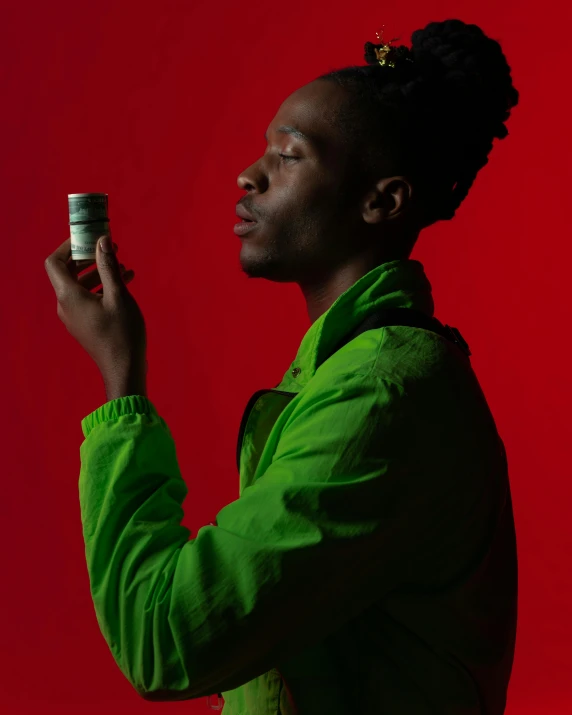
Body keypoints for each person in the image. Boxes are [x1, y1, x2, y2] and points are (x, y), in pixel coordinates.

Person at [78, 17, 519, 715]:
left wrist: (121, 384)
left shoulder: (383, 395)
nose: (249, 174)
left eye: (289, 154)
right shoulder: (350, 368)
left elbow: (165, 638)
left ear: (383, 200)